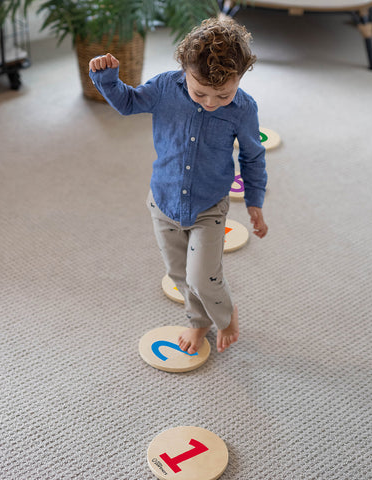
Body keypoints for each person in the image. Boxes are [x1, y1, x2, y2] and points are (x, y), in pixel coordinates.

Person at [89, 16, 268, 354]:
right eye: (200, 92)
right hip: (163, 202)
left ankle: (226, 317)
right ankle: (199, 323)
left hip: (208, 206)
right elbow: (127, 103)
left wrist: (255, 201)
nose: (211, 102)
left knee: (203, 278)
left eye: (223, 94)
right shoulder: (164, 88)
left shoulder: (243, 109)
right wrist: (105, 79)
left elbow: (253, 157)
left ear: (240, 78)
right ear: (183, 68)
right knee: (179, 275)